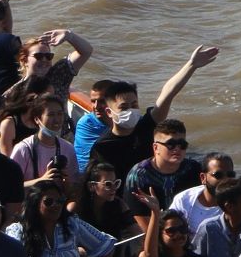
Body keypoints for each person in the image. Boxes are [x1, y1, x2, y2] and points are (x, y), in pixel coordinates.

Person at [85, 45, 221, 176]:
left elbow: (167, 94)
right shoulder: (102, 147)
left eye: (134, 105)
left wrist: (191, 65)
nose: (130, 111)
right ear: (109, 112)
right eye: (124, 107)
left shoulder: (146, 127)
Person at [8, 182, 115, 257]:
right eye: (49, 201)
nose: (56, 205)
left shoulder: (72, 225)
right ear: (35, 203)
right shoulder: (18, 230)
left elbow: (107, 245)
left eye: (60, 201)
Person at [124, 118, 202, 231]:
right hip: (151, 231)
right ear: (156, 148)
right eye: (171, 144)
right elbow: (140, 217)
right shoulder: (139, 175)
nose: (177, 149)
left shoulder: (193, 169)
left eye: (182, 144)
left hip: (187, 229)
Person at [137, 204, 216, 257]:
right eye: (171, 231)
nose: (178, 234)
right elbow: (149, 255)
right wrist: (155, 213)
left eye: (182, 229)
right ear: (159, 234)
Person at [9, 95, 78, 190]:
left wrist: (66, 182)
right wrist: (42, 180)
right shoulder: (23, 149)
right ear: (37, 119)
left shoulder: (68, 149)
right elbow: (10, 186)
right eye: (51, 115)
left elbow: (74, 188)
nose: (57, 120)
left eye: (60, 114)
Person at [3, 28, 92, 102]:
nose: (44, 60)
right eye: (38, 56)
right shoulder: (14, 93)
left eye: (48, 56)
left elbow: (86, 51)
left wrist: (69, 35)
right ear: (24, 60)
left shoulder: (59, 73)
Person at [170, 151, 241, 229]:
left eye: (230, 175)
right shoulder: (184, 201)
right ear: (203, 178)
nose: (225, 180)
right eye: (218, 175)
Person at [76, 162, 137, 240]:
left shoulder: (120, 205)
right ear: (91, 186)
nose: (114, 188)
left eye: (116, 183)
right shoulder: (77, 208)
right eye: (108, 184)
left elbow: (136, 232)